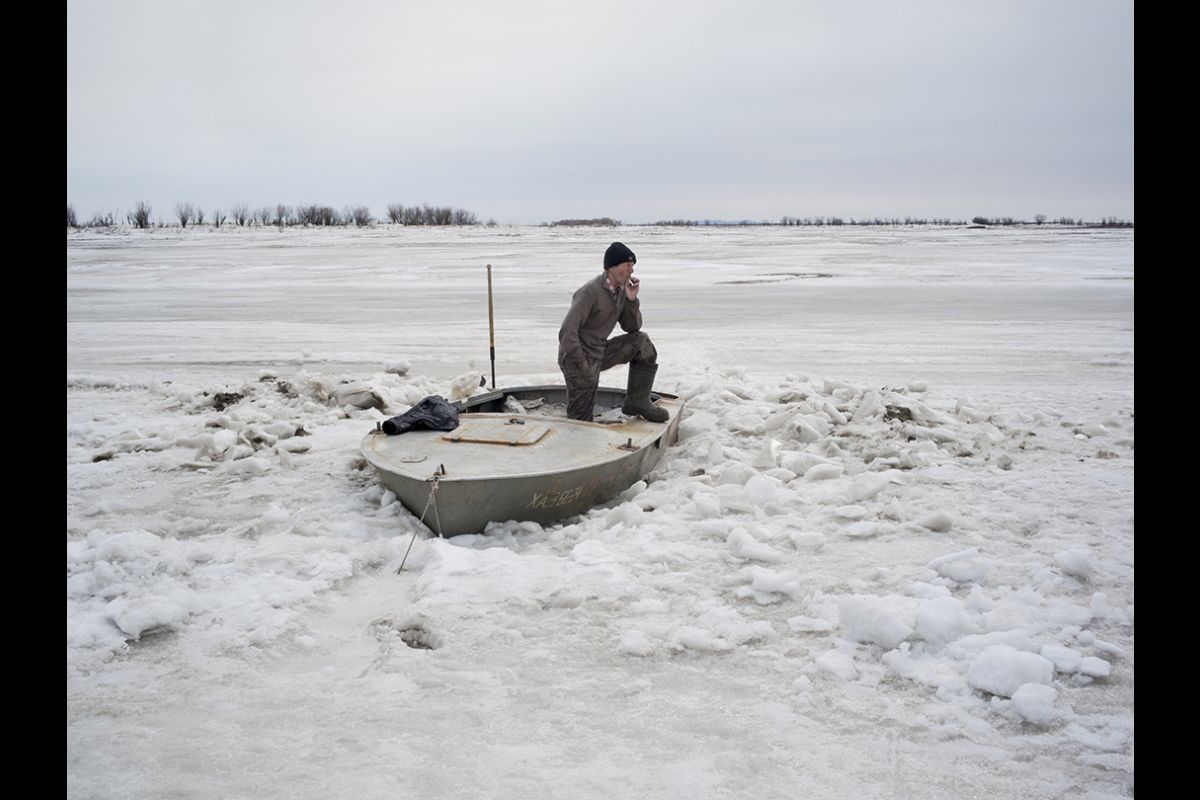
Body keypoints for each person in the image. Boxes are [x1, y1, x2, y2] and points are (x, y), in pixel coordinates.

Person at [558, 242, 669, 423]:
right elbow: (566, 332)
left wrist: (631, 299)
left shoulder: (621, 291)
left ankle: (637, 401)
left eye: (632, 266)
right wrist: (582, 364)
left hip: (600, 351)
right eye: (628, 265)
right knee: (581, 421)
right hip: (577, 360)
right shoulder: (590, 291)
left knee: (641, 342)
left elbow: (632, 327)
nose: (632, 270)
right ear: (612, 267)